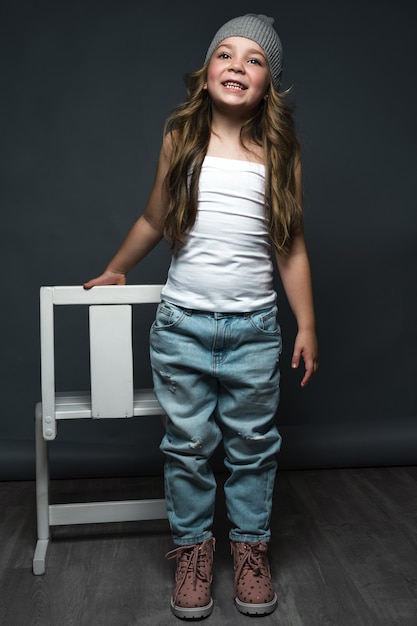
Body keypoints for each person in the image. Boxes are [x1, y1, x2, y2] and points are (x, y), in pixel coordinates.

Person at [84, 13, 318, 620]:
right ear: (207, 69)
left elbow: (290, 245)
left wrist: (308, 325)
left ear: (270, 83)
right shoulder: (181, 138)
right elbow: (154, 220)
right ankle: (191, 553)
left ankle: (250, 551)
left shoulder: (279, 151)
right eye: (227, 54)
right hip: (182, 326)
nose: (238, 66)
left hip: (255, 332)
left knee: (252, 447)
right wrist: (117, 268)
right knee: (187, 446)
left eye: (255, 59)